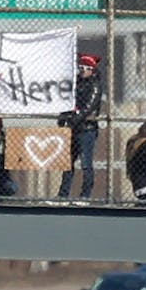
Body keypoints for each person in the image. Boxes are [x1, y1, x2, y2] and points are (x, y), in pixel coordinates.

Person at [56, 53, 103, 200]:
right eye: (80, 67)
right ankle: (62, 196)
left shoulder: (95, 85)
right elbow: (69, 103)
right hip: (75, 128)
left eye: (86, 68)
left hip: (87, 129)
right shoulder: (76, 84)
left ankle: (85, 196)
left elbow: (88, 108)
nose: (82, 70)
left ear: (92, 70)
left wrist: (74, 119)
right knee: (68, 163)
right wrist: (64, 116)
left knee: (85, 163)